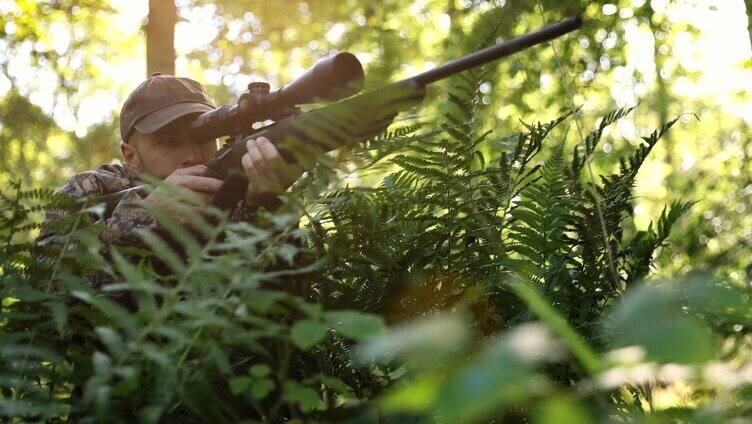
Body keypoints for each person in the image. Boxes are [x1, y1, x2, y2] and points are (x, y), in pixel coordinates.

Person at [38, 73, 301, 285]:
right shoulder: (90, 191)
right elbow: (45, 294)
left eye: (203, 137)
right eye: (168, 142)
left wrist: (265, 208)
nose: (192, 155)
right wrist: (144, 220)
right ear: (130, 156)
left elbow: (286, 301)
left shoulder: (243, 184)